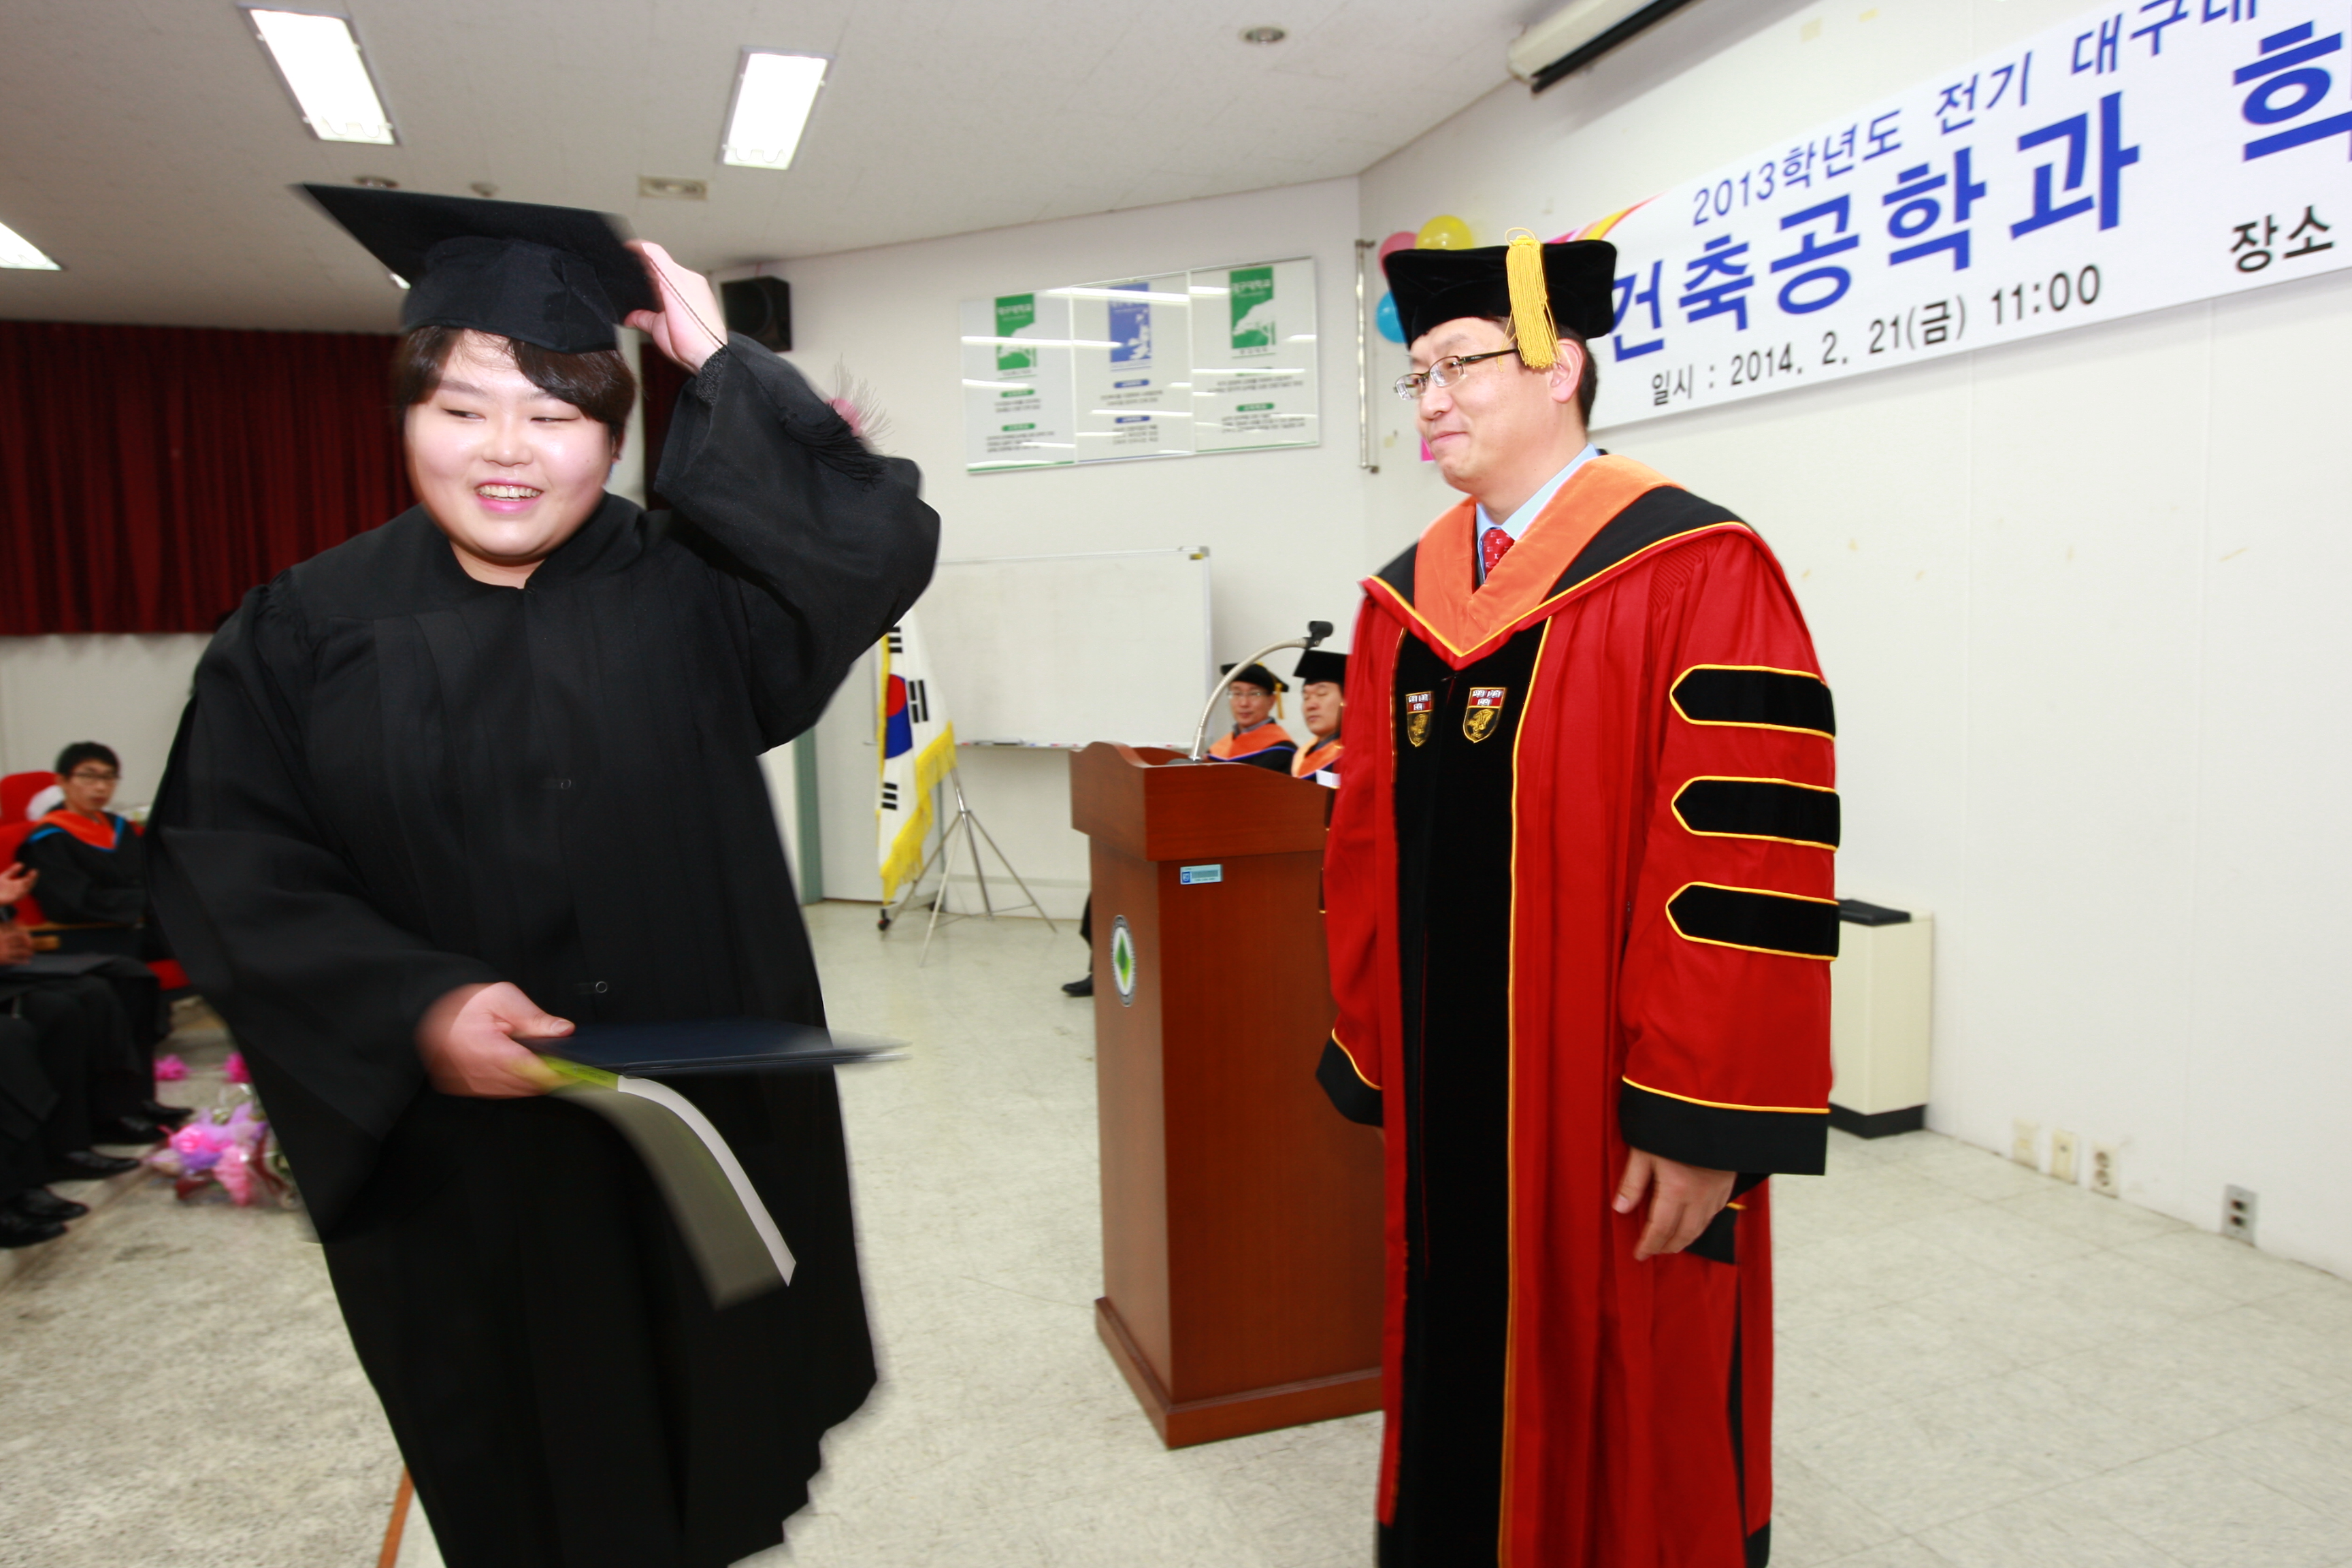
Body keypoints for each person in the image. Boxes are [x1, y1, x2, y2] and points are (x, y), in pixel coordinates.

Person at [148, 186, 938, 1568]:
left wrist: (725, 365)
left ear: (618, 439)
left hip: (692, 1141)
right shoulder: (301, 629)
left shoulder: (704, 593)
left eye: (557, 411)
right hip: (465, 1171)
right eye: (460, 406)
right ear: (404, 418)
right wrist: (418, 1007)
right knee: (521, 1471)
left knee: (712, 1447)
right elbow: (227, 864)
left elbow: (873, 547)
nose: (506, 450)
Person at [1318, 233, 1834, 1567]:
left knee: (1630, 1374)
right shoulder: (1403, 603)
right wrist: (1376, 1041)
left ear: (1563, 368)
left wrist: (1700, 1115)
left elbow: (1743, 862)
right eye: (1418, 375)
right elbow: (1362, 843)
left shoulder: (1695, 565)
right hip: (1457, 1104)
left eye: (1460, 365)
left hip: (1606, 1106)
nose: (1429, 400)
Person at [16, 744, 153, 953]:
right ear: (62, 781)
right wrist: (149, 902)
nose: (101, 787)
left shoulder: (119, 827)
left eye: (109, 777)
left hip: (138, 924)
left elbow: (147, 876)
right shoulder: (49, 839)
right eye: (88, 777)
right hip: (87, 936)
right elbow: (70, 904)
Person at [1207, 662, 1297, 772]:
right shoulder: (1217, 751)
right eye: (1237, 693)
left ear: (1271, 701)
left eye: (1254, 694)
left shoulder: (1282, 751)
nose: (1244, 703)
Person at [1291, 649, 1345, 780]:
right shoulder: (1302, 756)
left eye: (1322, 694)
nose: (1310, 705)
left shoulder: (1358, 757)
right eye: (1306, 697)